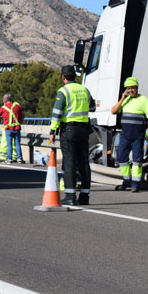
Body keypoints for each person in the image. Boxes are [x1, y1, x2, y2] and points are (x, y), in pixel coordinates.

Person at [49, 66, 95, 206]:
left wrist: (52, 130)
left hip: (69, 130)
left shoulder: (63, 91)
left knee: (69, 162)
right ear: (75, 76)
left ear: (63, 77)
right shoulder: (84, 89)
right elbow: (92, 107)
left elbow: (57, 113)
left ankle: (70, 196)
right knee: (84, 162)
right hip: (84, 129)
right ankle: (84, 196)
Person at [111, 76, 148, 192]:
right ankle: (126, 182)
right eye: (128, 88)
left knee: (137, 161)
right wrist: (122, 98)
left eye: (132, 88)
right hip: (125, 136)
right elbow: (113, 111)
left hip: (137, 137)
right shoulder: (125, 100)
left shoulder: (143, 100)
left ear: (137, 88)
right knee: (121, 158)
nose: (130, 90)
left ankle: (135, 184)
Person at [0, 93, 25, 163]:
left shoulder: (3, 107)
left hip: (8, 129)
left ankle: (9, 159)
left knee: (9, 144)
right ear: (11, 99)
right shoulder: (17, 106)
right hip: (17, 128)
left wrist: (2, 118)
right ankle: (20, 159)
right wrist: (20, 121)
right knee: (17, 144)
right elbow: (23, 115)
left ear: (4, 100)